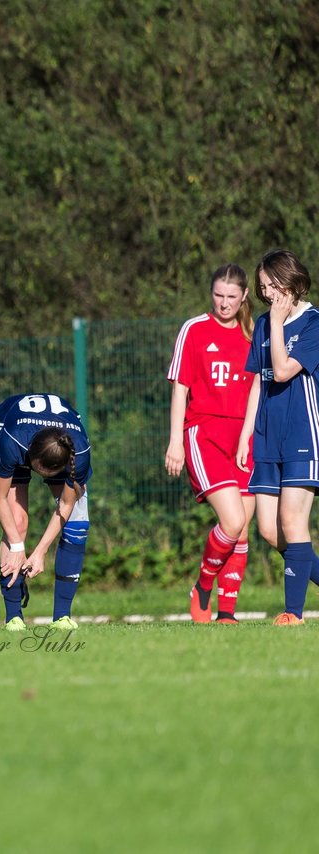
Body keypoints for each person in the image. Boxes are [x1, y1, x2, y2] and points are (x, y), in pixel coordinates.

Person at [165, 265, 256, 624]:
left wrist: (251, 437)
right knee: (231, 520)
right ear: (211, 292)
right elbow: (180, 388)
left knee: (243, 529)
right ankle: (203, 586)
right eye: (219, 294)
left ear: (245, 296)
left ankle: (227, 614)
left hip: (245, 438)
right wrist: (175, 442)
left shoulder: (253, 332)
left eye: (232, 296)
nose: (224, 303)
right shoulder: (195, 329)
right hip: (203, 433)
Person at [235, 249, 319, 626]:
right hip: (269, 438)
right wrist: (245, 434)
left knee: (291, 521)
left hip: (302, 435)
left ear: (292, 280)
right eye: (263, 287)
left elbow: (283, 370)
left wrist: (280, 322)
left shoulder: (313, 322)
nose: (267, 293)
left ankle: (293, 614)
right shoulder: (268, 322)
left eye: (273, 285)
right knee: (269, 530)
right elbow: (260, 378)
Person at [0, 393, 91, 632]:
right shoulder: (13, 442)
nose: (43, 478)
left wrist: (41, 551)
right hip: (8, 422)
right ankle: (14, 616)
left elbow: (66, 505)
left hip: (59, 444)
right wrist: (17, 546)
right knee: (18, 523)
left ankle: (62, 617)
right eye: (39, 471)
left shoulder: (80, 453)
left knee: (78, 523)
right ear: (30, 458)